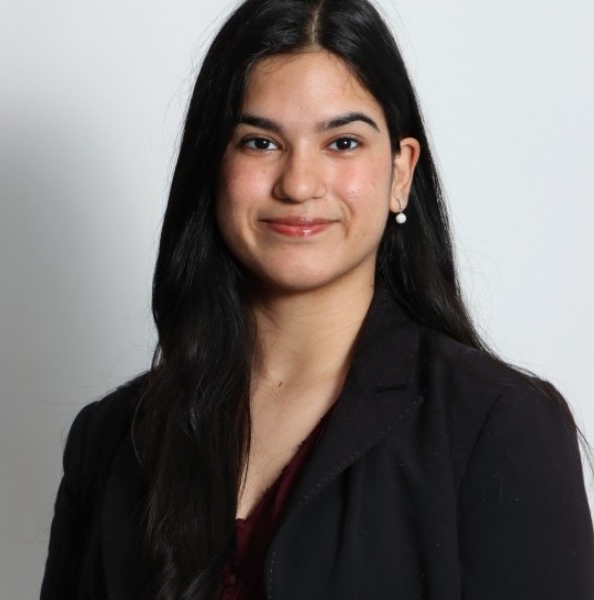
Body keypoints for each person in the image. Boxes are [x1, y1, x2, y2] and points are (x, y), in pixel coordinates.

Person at [40, 0, 594, 598]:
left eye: (344, 143)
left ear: (401, 173)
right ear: (213, 166)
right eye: (259, 142)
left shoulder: (500, 426)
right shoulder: (111, 438)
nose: (299, 183)